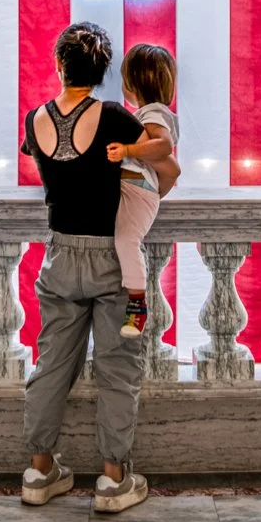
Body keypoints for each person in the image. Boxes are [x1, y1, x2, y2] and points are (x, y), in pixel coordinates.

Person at [20, 22, 150, 514]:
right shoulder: (115, 116)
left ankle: (40, 470)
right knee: (118, 366)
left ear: (59, 65)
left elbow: (35, 155)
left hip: (59, 256)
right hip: (113, 259)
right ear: (102, 71)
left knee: (52, 363)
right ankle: (114, 479)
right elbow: (158, 154)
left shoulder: (35, 118)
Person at [103, 43, 180, 339]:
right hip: (136, 188)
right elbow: (171, 172)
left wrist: (128, 149)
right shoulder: (150, 113)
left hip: (137, 189)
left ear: (133, 84)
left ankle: (137, 303)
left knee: (126, 240)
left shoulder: (154, 115)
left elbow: (164, 147)